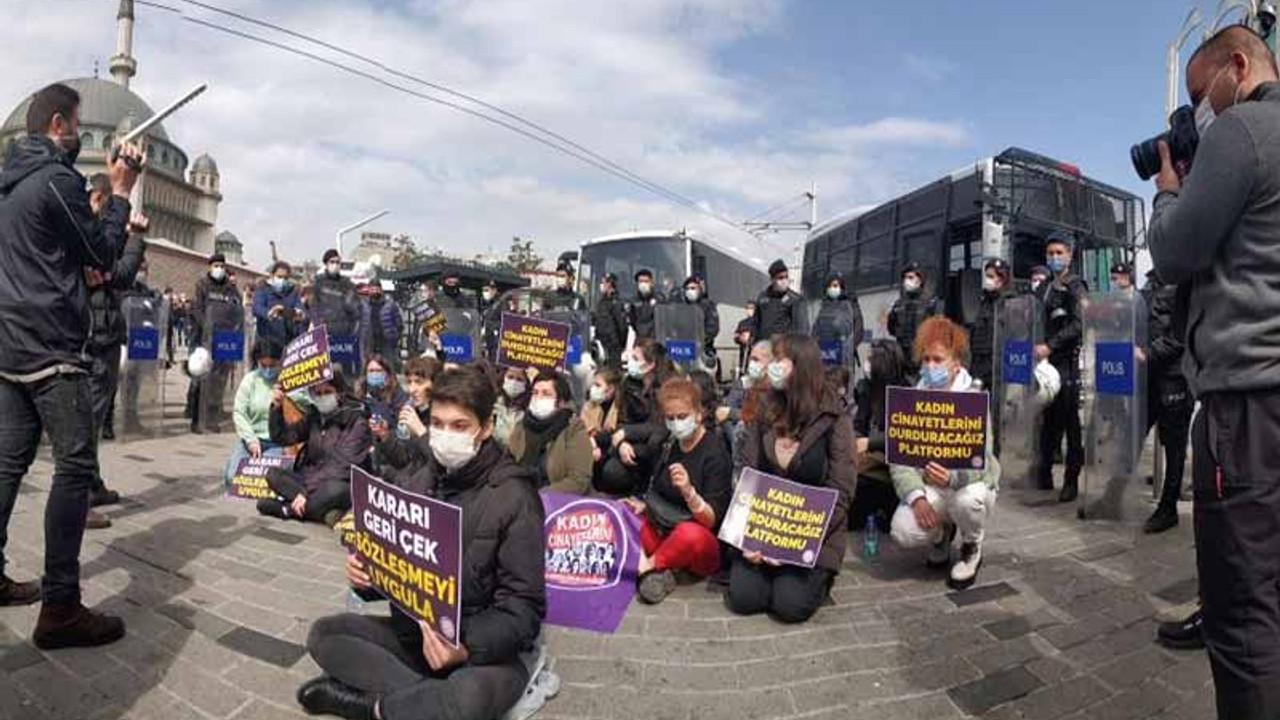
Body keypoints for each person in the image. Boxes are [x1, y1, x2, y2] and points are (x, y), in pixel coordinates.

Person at [1147, 26, 1280, 719]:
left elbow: (1174, 252)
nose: (1204, 111)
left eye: (1202, 94)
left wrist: (1170, 190)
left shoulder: (1246, 129)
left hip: (1247, 410)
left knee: (1243, 616)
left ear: (1240, 65)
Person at [300, 366, 545, 720]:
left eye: (460, 426)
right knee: (325, 635)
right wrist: (366, 575)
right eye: (438, 424)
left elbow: (524, 609)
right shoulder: (420, 478)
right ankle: (423, 704)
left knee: (469, 697)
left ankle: (374, 707)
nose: (446, 435)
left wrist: (464, 646)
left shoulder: (515, 496)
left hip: (479, 653)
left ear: (486, 427)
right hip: (416, 636)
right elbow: (395, 568)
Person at [0, 83, 143, 646]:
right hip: (52, 347)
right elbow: (102, 253)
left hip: (9, 346)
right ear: (59, 124)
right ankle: (61, 606)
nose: (81, 132)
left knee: (9, 465)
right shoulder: (55, 180)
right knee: (75, 468)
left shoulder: (7, 185)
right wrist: (123, 191)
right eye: (77, 123)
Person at [727, 334, 856, 623]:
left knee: (789, 606)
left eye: (777, 360)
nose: (770, 366)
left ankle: (817, 578)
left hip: (813, 533)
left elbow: (841, 489)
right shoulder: (763, 408)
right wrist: (751, 536)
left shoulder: (833, 416)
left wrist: (792, 543)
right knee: (745, 599)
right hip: (764, 524)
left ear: (800, 366)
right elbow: (749, 471)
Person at [889, 318, 1000, 590]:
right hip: (929, 488)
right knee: (902, 531)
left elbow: (983, 458)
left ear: (956, 363)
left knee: (968, 501)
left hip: (966, 486)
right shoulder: (910, 400)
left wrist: (953, 477)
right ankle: (941, 533)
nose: (930, 366)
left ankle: (972, 545)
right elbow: (899, 460)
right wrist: (917, 499)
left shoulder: (973, 398)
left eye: (938, 359)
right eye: (925, 359)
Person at [625, 377, 733, 604]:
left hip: (699, 544)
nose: (676, 423)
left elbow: (711, 521)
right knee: (621, 512)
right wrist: (644, 506)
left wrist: (689, 492)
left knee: (689, 534)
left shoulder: (715, 452)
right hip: (664, 530)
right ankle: (662, 571)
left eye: (682, 417)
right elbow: (657, 489)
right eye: (670, 418)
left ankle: (646, 567)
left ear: (699, 413)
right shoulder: (669, 443)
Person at [84, 172, 146, 510]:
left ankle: (90, 483)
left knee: (92, 416)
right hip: (94, 335)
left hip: (98, 332)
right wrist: (135, 239)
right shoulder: (89, 235)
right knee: (87, 420)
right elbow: (120, 274)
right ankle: (80, 497)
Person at [261, 372, 370, 527]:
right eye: (318, 393)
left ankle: (287, 510)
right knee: (273, 474)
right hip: (310, 478)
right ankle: (322, 511)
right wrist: (277, 408)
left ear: (339, 393)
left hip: (342, 481)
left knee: (335, 489)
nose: (322, 397)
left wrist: (305, 492)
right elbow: (283, 437)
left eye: (327, 392)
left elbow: (341, 466)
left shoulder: (356, 421)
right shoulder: (315, 416)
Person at [1033, 232, 1087, 502]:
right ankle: (1043, 473)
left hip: (1065, 362)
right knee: (1047, 422)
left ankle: (1071, 481)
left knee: (1069, 422)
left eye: (1059, 253)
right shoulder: (1043, 288)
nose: (1054, 257)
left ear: (1070, 255)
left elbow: (1079, 324)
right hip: (1043, 364)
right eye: (1050, 253)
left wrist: (1050, 345)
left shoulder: (1075, 286)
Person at [1139, 270, 1193, 534]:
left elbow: (1181, 336)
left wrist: (1147, 354)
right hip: (1148, 377)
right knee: (1133, 435)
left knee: (1174, 446)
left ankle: (1168, 507)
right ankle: (1115, 494)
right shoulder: (1150, 283)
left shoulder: (1184, 283)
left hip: (1175, 378)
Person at [596, 340, 675, 496]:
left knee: (615, 472)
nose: (629, 361)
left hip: (655, 446)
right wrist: (622, 444)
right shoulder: (629, 384)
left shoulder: (668, 388)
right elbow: (621, 420)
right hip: (629, 443)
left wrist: (626, 433)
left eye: (635, 358)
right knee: (607, 468)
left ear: (650, 364)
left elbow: (660, 427)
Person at [851, 339, 912, 530]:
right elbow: (859, 423)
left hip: (892, 460)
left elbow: (903, 438)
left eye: (870, 358)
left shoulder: (905, 392)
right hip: (868, 456)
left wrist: (869, 443)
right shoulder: (866, 389)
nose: (866, 363)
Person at [506, 372, 593, 494]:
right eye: (535, 393)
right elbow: (507, 462)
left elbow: (579, 480)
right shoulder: (522, 425)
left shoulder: (574, 429)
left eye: (546, 394)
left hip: (553, 502)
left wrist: (540, 495)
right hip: (518, 495)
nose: (538, 398)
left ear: (561, 402)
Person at [188, 252, 242, 434]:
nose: (219, 269)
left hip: (225, 341)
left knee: (218, 381)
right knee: (201, 379)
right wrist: (207, 328)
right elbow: (197, 309)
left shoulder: (230, 288)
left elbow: (238, 310)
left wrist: (236, 327)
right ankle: (196, 419)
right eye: (215, 265)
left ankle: (212, 417)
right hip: (205, 339)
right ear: (210, 267)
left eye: (221, 265)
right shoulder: (202, 285)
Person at [226, 338, 288, 486]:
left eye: (272, 366)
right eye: (263, 365)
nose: (267, 370)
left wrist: (283, 401)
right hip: (252, 440)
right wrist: (250, 440)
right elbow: (239, 412)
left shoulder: (288, 381)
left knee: (267, 479)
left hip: (276, 443)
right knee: (233, 476)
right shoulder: (250, 379)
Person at [370, 356, 440, 480]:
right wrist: (385, 436)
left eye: (419, 382)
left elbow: (441, 465)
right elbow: (402, 460)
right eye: (409, 382)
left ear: (435, 384)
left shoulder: (443, 417)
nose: (412, 389)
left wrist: (421, 431)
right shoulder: (413, 412)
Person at [968, 259, 1013, 393]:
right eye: (987, 276)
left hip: (999, 367)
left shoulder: (1011, 302)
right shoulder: (984, 302)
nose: (987, 280)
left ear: (1002, 279)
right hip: (979, 365)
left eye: (991, 276)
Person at [313, 249, 361, 374]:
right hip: (325, 335)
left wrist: (353, 333)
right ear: (326, 263)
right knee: (324, 371)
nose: (335, 265)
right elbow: (314, 309)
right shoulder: (318, 283)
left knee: (345, 373)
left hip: (344, 336)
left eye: (338, 262)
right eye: (332, 261)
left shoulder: (347, 284)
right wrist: (318, 329)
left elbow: (356, 311)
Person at [887, 262, 940, 373]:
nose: (907, 281)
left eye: (911, 277)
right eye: (905, 278)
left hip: (920, 357)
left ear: (920, 280)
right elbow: (891, 328)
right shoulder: (899, 304)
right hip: (901, 356)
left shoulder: (930, 304)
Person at [812, 271, 865, 372]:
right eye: (831, 286)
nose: (834, 288)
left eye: (836, 285)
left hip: (843, 358)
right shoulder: (824, 306)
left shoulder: (851, 304)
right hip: (824, 356)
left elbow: (858, 329)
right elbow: (815, 330)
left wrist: (847, 349)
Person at [253, 261, 306, 346]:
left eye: (285, 278)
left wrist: (294, 313)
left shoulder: (293, 292)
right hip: (266, 340)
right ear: (272, 275)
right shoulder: (263, 289)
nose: (282, 280)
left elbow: (300, 309)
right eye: (279, 277)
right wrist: (268, 313)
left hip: (287, 340)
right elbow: (257, 308)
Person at [751, 260, 804, 342]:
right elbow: (756, 321)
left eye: (786, 277)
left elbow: (799, 327)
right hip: (763, 344)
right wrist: (752, 338)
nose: (784, 280)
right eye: (780, 277)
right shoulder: (763, 297)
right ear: (772, 279)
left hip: (782, 347)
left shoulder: (794, 299)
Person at [581, 366, 621, 466]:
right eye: (593, 384)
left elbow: (614, 433)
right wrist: (593, 445)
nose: (593, 389)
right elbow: (583, 428)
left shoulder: (620, 406)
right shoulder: (589, 404)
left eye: (598, 385)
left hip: (611, 449)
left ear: (611, 389)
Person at [362, 283, 403, 373]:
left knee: (388, 367)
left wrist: (395, 336)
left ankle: (391, 385)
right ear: (369, 290)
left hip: (386, 340)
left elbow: (399, 323)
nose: (374, 291)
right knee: (369, 367)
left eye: (377, 289)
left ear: (381, 290)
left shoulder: (390, 304)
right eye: (372, 289)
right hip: (369, 341)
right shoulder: (364, 305)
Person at [358, 354, 409, 422]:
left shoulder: (397, 393)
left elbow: (401, 420)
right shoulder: (362, 393)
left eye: (378, 371)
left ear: (387, 373)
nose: (374, 374)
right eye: (371, 371)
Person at [681, 274, 720, 363]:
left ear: (699, 289)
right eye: (687, 289)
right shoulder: (683, 307)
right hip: (684, 350)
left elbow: (713, 328)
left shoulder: (708, 305)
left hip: (702, 349)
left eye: (693, 288)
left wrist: (701, 340)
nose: (690, 291)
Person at [592, 272, 628, 368]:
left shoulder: (616, 302)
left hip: (613, 347)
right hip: (601, 345)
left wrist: (618, 344)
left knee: (613, 374)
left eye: (604, 283)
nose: (601, 285)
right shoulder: (601, 302)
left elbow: (622, 327)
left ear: (610, 285)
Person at [493, 367, 531, 448]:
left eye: (519, 379)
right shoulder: (493, 402)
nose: (514, 382)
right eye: (510, 377)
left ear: (526, 384)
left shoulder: (530, 409)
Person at [626, 269, 662, 342]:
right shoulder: (633, 301)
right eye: (641, 281)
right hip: (639, 339)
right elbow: (632, 321)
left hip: (655, 340)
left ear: (651, 283)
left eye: (646, 281)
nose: (643, 284)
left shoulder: (659, 299)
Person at [734, 301, 756, 375]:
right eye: (748, 308)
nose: (749, 310)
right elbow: (736, 335)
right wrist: (740, 338)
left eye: (751, 308)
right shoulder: (742, 323)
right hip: (743, 354)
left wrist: (750, 339)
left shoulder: (758, 323)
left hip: (753, 356)